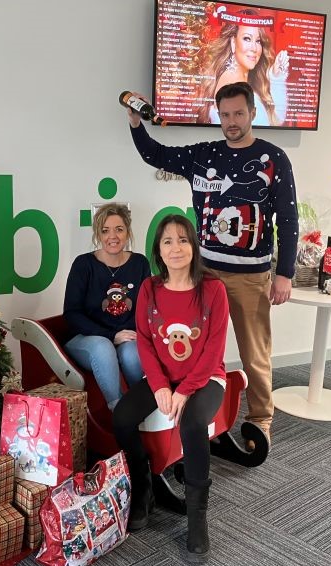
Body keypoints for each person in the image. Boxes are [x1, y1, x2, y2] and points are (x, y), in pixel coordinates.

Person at [124, 82, 299, 451]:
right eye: (226, 114)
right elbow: (156, 155)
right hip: (202, 276)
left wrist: (284, 273)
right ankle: (204, 419)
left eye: (239, 113)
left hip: (251, 276)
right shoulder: (202, 155)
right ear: (218, 115)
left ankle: (260, 420)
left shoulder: (274, 159)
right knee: (201, 352)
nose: (232, 121)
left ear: (253, 113)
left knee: (255, 352)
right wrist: (136, 125)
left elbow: (287, 217)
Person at [113, 214, 229, 562]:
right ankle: (145, 487)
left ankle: (197, 518)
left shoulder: (213, 289)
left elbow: (213, 351)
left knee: (192, 424)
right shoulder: (149, 288)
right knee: (122, 417)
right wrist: (161, 385)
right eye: (167, 242)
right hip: (163, 377)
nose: (176, 248)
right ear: (158, 251)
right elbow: (146, 343)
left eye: (182, 240)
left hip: (206, 379)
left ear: (193, 246)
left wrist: (184, 391)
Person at [63, 203, 151, 410]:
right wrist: (111, 335)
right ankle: (119, 412)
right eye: (105, 230)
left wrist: (136, 334)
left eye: (119, 229)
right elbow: (72, 313)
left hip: (126, 337)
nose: (113, 236)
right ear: (98, 234)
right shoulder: (84, 264)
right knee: (103, 348)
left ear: (128, 232)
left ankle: (144, 409)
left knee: (132, 354)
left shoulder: (140, 263)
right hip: (87, 338)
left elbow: (146, 307)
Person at [197, 8, 288, 126]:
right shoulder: (230, 85)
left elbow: (275, 120)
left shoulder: (243, 80)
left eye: (258, 41)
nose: (254, 48)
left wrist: (276, 77)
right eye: (247, 38)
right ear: (233, 43)